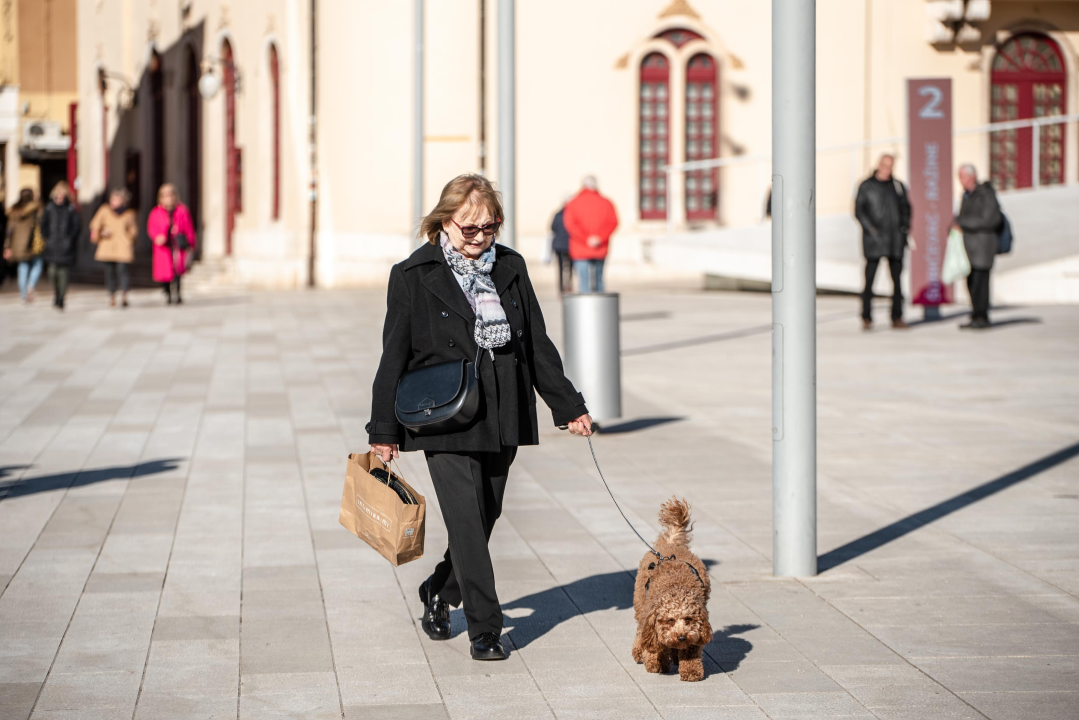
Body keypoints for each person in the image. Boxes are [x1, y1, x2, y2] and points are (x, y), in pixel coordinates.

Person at [367, 173, 593, 661]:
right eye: (469, 228)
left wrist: (568, 405)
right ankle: (485, 629)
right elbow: (392, 358)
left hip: (502, 410)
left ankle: (440, 589)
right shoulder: (412, 275)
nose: (479, 237)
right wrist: (383, 431)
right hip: (443, 417)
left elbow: (535, 343)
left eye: (489, 227)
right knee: (467, 522)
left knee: (485, 515)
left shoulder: (509, 267)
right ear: (445, 222)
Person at [854, 154, 912, 330]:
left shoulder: (898, 186)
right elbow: (859, 210)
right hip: (875, 241)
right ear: (879, 165)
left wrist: (904, 228)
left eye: (891, 166)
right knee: (870, 281)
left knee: (897, 282)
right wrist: (871, 230)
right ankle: (866, 317)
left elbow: (906, 209)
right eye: (885, 165)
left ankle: (897, 316)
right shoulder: (866, 185)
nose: (888, 169)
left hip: (895, 240)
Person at [955, 164, 1002, 330]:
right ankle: (976, 314)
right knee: (971, 282)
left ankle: (982, 317)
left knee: (981, 283)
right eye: (959, 177)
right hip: (969, 248)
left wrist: (963, 223)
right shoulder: (967, 195)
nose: (961, 180)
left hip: (983, 247)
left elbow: (990, 219)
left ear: (973, 176)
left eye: (963, 176)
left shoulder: (986, 194)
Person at [563, 175, 618, 293]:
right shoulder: (607, 203)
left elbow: (570, 225)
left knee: (584, 283)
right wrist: (599, 238)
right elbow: (613, 222)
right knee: (599, 281)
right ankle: (601, 309)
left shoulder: (573, 203)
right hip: (600, 247)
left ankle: (585, 310)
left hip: (580, 248)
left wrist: (586, 239)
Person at [147, 183, 196, 304]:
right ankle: (167, 293)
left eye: (170, 194)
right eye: (165, 195)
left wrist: (191, 243)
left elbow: (189, 228)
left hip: (177, 244)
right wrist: (157, 237)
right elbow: (151, 228)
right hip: (163, 246)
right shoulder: (156, 212)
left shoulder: (182, 210)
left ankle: (178, 293)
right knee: (164, 272)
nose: (168, 198)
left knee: (178, 270)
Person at [89, 188, 138, 308]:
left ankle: (124, 294)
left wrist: (129, 239)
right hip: (108, 245)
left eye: (116, 199)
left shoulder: (129, 213)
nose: (113, 201)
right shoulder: (104, 210)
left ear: (122, 200)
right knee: (110, 272)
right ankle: (112, 295)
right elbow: (94, 225)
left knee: (123, 271)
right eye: (112, 198)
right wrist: (100, 233)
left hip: (122, 246)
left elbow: (133, 231)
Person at [40, 181, 81, 311]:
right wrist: (46, 237)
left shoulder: (70, 209)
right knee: (52, 272)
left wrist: (70, 239)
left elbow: (77, 226)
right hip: (52, 244)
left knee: (63, 273)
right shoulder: (49, 208)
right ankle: (56, 293)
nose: (59, 198)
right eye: (57, 195)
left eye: (62, 195)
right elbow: (43, 224)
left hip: (65, 245)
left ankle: (61, 297)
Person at [3, 188, 44, 304]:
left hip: (17, 245)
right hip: (33, 243)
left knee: (22, 268)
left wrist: (7, 246)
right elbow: (42, 223)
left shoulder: (13, 210)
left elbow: (9, 231)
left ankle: (23, 295)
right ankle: (30, 286)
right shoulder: (36, 208)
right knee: (38, 264)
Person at [550, 198, 573, 294]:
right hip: (569, 245)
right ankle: (568, 286)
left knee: (560, 268)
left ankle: (561, 289)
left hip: (559, 245)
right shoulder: (572, 214)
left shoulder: (557, 214)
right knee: (569, 268)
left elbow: (552, 227)